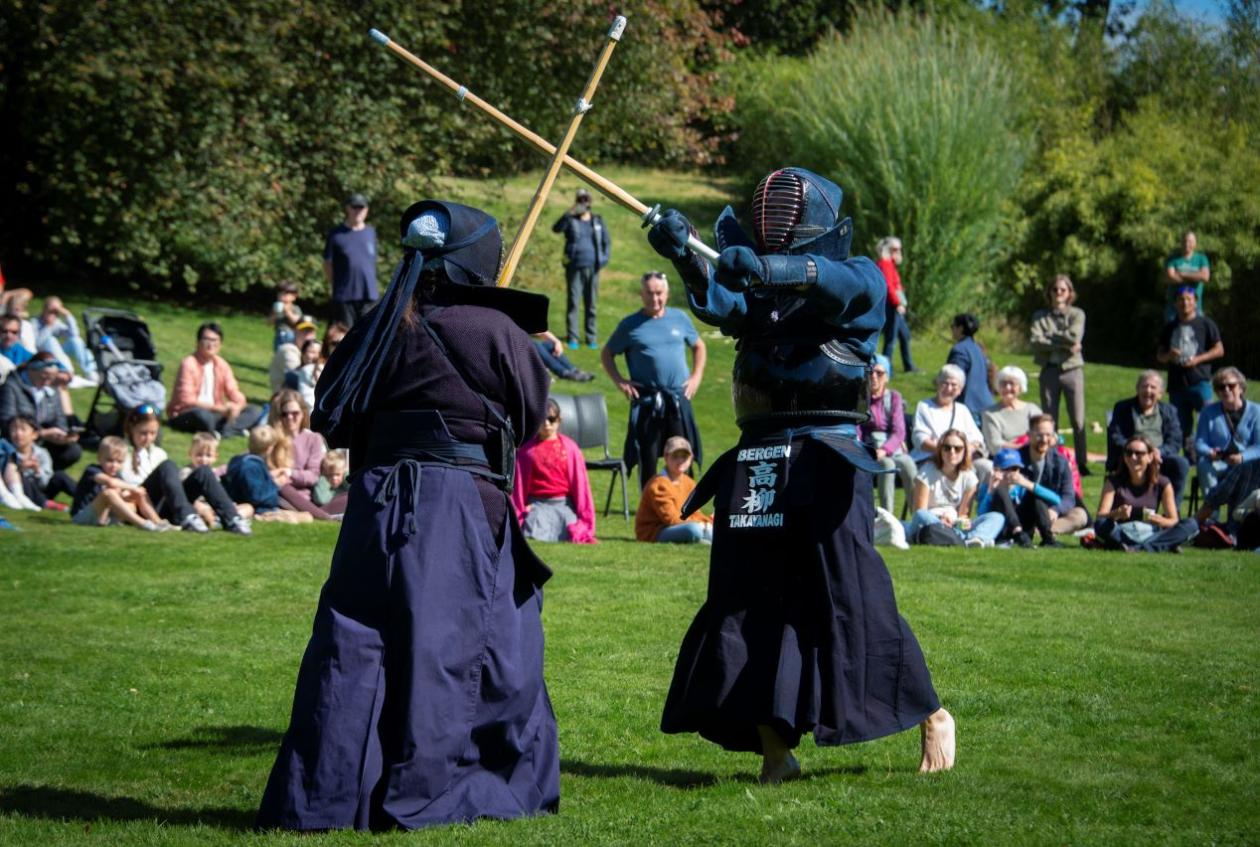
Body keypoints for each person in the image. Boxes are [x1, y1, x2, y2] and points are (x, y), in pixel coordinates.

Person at [258, 198, 559, 830]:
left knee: (360, 641)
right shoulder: (495, 332)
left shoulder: (375, 327)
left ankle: (328, 799)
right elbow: (530, 420)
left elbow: (334, 413)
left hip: (374, 503)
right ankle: (435, 787)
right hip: (458, 508)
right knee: (452, 644)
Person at [646, 166, 953, 784]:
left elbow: (840, 284)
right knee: (744, 599)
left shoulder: (860, 276)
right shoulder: (759, 297)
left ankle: (932, 714)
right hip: (757, 458)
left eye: (785, 211)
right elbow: (723, 303)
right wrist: (684, 255)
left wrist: (772, 270)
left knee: (849, 592)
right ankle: (773, 750)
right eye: (767, 212)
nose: (773, 220)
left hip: (827, 458)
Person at [601, 271, 706, 490]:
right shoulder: (630, 325)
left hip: (678, 398)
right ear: (642, 294)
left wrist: (695, 377)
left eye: (659, 293)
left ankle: (683, 504)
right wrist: (621, 381)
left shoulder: (680, 318)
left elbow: (699, 346)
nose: (654, 298)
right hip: (648, 401)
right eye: (649, 293)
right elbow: (607, 353)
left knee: (682, 453)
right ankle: (650, 508)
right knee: (647, 457)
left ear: (666, 294)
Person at [119, 405, 249, 534]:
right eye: (143, 433)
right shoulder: (122, 454)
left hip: (168, 505)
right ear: (131, 429)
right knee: (168, 465)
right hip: (143, 504)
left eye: (153, 433)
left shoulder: (158, 453)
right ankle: (187, 516)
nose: (148, 438)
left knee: (203, 471)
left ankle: (232, 518)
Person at [1087, 434, 1198, 553]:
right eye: (1128, 453)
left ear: (1150, 456)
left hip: (1150, 531)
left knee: (1191, 525)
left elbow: (1173, 520)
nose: (1133, 457)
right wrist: (1117, 513)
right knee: (1101, 524)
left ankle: (1139, 548)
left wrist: (1158, 520)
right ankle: (1162, 545)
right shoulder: (1113, 481)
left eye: (1139, 453)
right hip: (1121, 531)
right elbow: (1101, 515)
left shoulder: (1163, 483)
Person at [510, 398, 596, 543]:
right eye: (543, 419)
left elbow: (581, 486)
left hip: (563, 505)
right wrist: (521, 510)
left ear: (559, 420)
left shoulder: (570, 449)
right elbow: (518, 486)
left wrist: (584, 517)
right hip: (537, 505)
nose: (547, 424)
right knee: (532, 524)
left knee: (570, 527)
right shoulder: (527, 451)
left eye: (551, 419)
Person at [904, 429, 1005, 547]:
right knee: (921, 515)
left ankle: (974, 539)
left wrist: (959, 522)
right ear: (940, 450)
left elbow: (963, 515)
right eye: (947, 448)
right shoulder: (926, 473)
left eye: (958, 448)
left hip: (954, 524)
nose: (952, 452)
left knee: (997, 517)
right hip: (930, 522)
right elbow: (919, 512)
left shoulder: (969, 477)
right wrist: (940, 519)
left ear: (964, 451)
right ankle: (969, 540)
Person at [1029, 275, 1088, 473]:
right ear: (1050, 292)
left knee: (1078, 419)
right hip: (1049, 370)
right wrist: (1064, 342)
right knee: (1049, 418)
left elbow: (1074, 337)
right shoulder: (1040, 315)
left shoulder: (1077, 314)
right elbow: (1035, 340)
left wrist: (1051, 339)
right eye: (1055, 289)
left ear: (1070, 292)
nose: (1059, 293)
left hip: (1072, 370)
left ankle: (1081, 462)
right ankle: (1051, 459)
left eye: (1063, 289)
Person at [1106, 371, 1189, 507]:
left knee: (1181, 463)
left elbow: (1175, 440)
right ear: (1137, 389)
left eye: (1153, 387)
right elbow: (1116, 436)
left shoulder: (1169, 411)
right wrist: (1137, 450)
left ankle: (1173, 512)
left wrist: (1158, 452)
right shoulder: (1123, 408)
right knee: (1133, 456)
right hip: (1131, 455)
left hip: (1159, 457)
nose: (1148, 391)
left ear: (1161, 393)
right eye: (1144, 386)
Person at [168, 322, 265, 438]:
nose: (211, 345)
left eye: (215, 341)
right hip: (188, 413)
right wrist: (220, 409)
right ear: (198, 342)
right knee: (202, 416)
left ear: (220, 344)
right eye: (207, 340)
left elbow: (234, 391)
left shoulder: (221, 365)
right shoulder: (188, 364)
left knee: (254, 411)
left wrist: (236, 406)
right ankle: (230, 430)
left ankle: (221, 431)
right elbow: (187, 400)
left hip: (215, 414)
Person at [1157, 287, 1224, 453]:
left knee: (1208, 421)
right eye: (1181, 299)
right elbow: (1159, 355)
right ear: (1175, 303)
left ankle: (1212, 455)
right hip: (1177, 384)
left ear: (1195, 302)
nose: (1184, 303)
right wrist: (1169, 356)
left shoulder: (1206, 324)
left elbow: (1219, 349)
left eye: (1188, 299)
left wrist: (1198, 359)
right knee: (1181, 427)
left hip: (1200, 382)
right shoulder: (1170, 327)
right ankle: (1189, 461)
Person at [911, 364, 991, 487]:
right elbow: (920, 439)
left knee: (987, 467)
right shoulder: (924, 407)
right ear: (937, 384)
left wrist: (964, 451)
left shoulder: (962, 410)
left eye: (954, 385)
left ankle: (983, 504)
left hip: (962, 460)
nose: (949, 388)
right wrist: (947, 452)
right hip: (933, 459)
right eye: (945, 383)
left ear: (960, 390)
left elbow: (977, 439)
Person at [0, 354, 83, 470]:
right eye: (45, 375)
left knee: (73, 450)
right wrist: (40, 433)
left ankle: (45, 476)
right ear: (32, 371)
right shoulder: (11, 387)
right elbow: (6, 422)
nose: (48, 381)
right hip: (17, 439)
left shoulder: (51, 388)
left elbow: (60, 419)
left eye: (52, 377)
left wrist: (63, 436)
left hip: (42, 440)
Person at [70, 436, 170, 531]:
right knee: (109, 493)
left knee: (136, 495)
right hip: (82, 517)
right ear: (99, 457)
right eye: (110, 460)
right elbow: (111, 482)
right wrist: (133, 488)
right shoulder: (92, 470)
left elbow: (122, 494)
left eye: (119, 462)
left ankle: (158, 522)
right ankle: (143, 524)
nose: (114, 465)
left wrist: (135, 494)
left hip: (104, 518)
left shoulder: (117, 476)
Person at [267, 389, 339, 521]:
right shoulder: (274, 437)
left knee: (350, 495)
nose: (290, 417)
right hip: (278, 493)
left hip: (305, 497)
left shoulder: (313, 439)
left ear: (303, 414)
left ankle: (315, 514)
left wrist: (289, 473)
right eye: (285, 414)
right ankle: (323, 516)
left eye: (294, 413)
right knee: (281, 487)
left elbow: (313, 476)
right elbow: (252, 457)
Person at [552, 187, 611, 349]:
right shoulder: (570, 220)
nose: (583, 203)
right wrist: (569, 212)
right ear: (576, 201)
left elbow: (607, 242)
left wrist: (603, 260)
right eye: (580, 200)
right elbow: (556, 229)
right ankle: (573, 337)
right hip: (574, 266)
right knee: (574, 302)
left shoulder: (597, 220)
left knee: (591, 303)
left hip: (593, 267)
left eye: (585, 199)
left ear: (590, 202)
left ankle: (591, 337)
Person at [858, 354, 916, 514]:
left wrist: (884, 450)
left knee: (909, 464)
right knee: (887, 466)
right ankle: (887, 518)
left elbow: (899, 432)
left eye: (879, 373)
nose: (874, 377)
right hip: (870, 450)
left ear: (887, 377)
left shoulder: (894, 397)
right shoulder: (862, 399)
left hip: (892, 448)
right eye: (870, 372)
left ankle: (917, 516)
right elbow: (858, 430)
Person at [1018, 414, 1084, 546]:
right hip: (1024, 512)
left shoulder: (1060, 461)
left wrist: (1055, 510)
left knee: (1080, 515)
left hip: (1051, 513)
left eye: (1048, 435)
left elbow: (1069, 497)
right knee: (1035, 498)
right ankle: (1043, 532)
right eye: (1039, 435)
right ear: (1028, 435)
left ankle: (1044, 530)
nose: (1044, 439)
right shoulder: (1016, 459)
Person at [1193, 367, 1260, 497]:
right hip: (1220, 462)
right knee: (1203, 464)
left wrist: (1242, 457)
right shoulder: (1208, 412)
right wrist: (1210, 452)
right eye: (1221, 387)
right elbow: (1200, 442)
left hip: (1248, 464)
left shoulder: (1257, 412)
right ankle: (1211, 514)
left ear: (1241, 387)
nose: (1226, 390)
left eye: (1231, 385)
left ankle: (1242, 514)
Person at [635, 435, 713, 544]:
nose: (680, 460)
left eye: (684, 456)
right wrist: (701, 525)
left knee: (714, 528)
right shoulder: (658, 484)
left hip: (678, 525)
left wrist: (708, 521)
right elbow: (670, 519)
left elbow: (694, 512)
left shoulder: (689, 482)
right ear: (666, 457)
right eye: (675, 456)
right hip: (655, 531)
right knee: (693, 530)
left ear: (691, 459)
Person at [978, 448, 1061, 548]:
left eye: (1015, 469)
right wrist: (990, 491)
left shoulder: (1022, 486)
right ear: (996, 470)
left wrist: (1027, 484)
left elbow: (1056, 500)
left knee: (1036, 496)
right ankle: (1017, 532)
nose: (1011, 473)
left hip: (1025, 529)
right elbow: (981, 515)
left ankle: (1048, 538)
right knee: (1000, 491)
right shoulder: (987, 488)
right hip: (1002, 531)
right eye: (1006, 469)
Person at [323, 192, 379, 327]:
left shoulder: (371, 232)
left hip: (369, 295)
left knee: (368, 336)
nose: (358, 211)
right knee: (346, 336)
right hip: (345, 296)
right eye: (354, 207)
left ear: (366, 210)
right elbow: (327, 264)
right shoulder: (336, 234)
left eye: (361, 207)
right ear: (347, 208)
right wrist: (337, 284)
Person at [182, 432, 254, 532]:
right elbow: (183, 498)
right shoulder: (187, 472)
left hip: (215, 508)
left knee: (248, 507)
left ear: (215, 457)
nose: (203, 459)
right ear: (190, 454)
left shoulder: (215, 474)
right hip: (199, 506)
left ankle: (228, 517)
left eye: (208, 455)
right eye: (199, 455)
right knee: (201, 508)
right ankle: (213, 522)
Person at [8, 415, 73, 508]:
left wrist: (37, 470)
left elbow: (46, 482)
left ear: (34, 434)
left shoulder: (42, 454)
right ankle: (46, 504)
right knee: (23, 478)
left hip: (41, 489)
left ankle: (85, 497)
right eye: (13, 430)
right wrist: (20, 469)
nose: (18, 433)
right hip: (23, 491)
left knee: (60, 475)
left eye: (23, 429)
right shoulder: (7, 453)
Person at [34, 296, 98, 384]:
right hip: (42, 356)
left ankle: (90, 371)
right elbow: (37, 344)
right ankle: (67, 371)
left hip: (57, 354)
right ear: (44, 309)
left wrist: (68, 315)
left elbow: (74, 334)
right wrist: (48, 326)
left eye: (56, 312)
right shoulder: (35, 322)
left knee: (76, 340)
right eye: (50, 311)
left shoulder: (56, 322)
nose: (53, 314)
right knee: (51, 340)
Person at [981, 365, 1042, 456]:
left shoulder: (1032, 409)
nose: (1007, 387)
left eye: (1012, 383)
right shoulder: (990, 413)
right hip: (1008, 458)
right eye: (1003, 383)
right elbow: (995, 446)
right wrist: (1024, 448)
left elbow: (1045, 433)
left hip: (1036, 455)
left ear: (1020, 387)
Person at [875, 236, 914, 374]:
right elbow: (889, 287)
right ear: (888, 249)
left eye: (899, 248)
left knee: (905, 335)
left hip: (896, 305)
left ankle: (909, 366)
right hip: (891, 306)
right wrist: (898, 303)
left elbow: (896, 287)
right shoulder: (885, 264)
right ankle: (885, 369)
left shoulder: (890, 264)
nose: (899, 251)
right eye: (896, 249)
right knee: (891, 339)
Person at [946, 313, 993, 422]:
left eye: (953, 326)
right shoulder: (977, 348)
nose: (951, 329)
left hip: (969, 407)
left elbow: (954, 378)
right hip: (987, 404)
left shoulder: (959, 350)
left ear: (960, 328)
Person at [1164, 230, 1209, 320]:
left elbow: (1205, 277)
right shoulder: (1172, 258)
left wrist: (1182, 273)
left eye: (1190, 241)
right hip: (1174, 308)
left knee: (1197, 332)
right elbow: (1170, 277)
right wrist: (1195, 277)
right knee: (1171, 333)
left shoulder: (1201, 259)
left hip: (1195, 307)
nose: (1187, 244)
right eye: (1185, 241)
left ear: (1195, 243)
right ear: (1181, 242)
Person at [269, 319, 318, 393]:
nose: (308, 336)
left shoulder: (315, 350)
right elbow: (297, 377)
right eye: (304, 332)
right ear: (295, 332)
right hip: (285, 397)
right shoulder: (288, 349)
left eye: (311, 332)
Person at [271, 281, 303, 349]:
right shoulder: (276, 307)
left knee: (289, 352)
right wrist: (274, 314)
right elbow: (269, 322)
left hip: (291, 334)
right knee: (278, 354)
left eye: (285, 295)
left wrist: (288, 312)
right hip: (278, 334)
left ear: (294, 297)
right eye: (279, 294)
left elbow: (297, 322)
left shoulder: (295, 308)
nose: (281, 297)